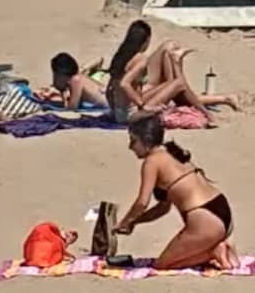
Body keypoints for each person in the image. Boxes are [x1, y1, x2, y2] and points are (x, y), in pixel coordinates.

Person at [114, 114, 238, 271]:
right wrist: (135, 222)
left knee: (162, 265)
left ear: (146, 141)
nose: (130, 147)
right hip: (221, 209)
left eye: (133, 141)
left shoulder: (152, 161)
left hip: (204, 217)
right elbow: (163, 208)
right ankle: (216, 247)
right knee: (174, 259)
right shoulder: (173, 152)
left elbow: (142, 202)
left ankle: (213, 252)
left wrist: (123, 223)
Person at [104, 20, 238, 127]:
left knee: (172, 75)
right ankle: (207, 113)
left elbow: (110, 89)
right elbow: (124, 83)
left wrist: (114, 109)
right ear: (145, 41)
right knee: (179, 84)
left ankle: (175, 61)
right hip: (133, 114)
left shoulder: (121, 57)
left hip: (123, 112)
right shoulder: (140, 60)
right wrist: (142, 105)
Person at [39, 52, 109, 110]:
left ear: (61, 75)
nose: (54, 81)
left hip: (110, 105)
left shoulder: (76, 80)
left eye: (55, 76)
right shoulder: (79, 77)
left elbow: (72, 108)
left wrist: (53, 107)